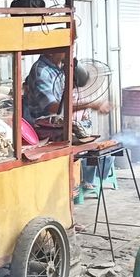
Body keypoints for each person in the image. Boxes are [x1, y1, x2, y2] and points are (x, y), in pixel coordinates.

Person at [24, 52, 113, 190]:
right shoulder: (41, 72)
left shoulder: (58, 67)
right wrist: (90, 105)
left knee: (98, 149)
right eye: (65, 50)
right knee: (82, 148)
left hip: (57, 123)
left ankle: (84, 181)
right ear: (54, 50)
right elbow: (53, 108)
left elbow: (64, 99)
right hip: (39, 128)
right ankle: (74, 185)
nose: (69, 54)